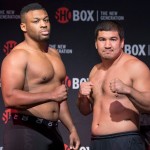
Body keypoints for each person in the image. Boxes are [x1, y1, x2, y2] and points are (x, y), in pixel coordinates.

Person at [1, 3, 80, 150]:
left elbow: (60, 98)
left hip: (52, 131)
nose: (43, 25)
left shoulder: (54, 54)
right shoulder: (18, 56)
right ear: (23, 27)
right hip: (25, 130)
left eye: (46, 20)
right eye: (36, 21)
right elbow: (10, 98)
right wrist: (50, 95)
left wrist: (72, 129)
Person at [77, 20, 150, 150]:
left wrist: (128, 90)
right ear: (96, 43)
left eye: (113, 39)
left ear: (122, 42)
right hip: (96, 142)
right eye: (102, 39)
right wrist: (81, 97)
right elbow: (85, 110)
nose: (107, 45)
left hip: (125, 141)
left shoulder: (134, 66)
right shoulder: (95, 70)